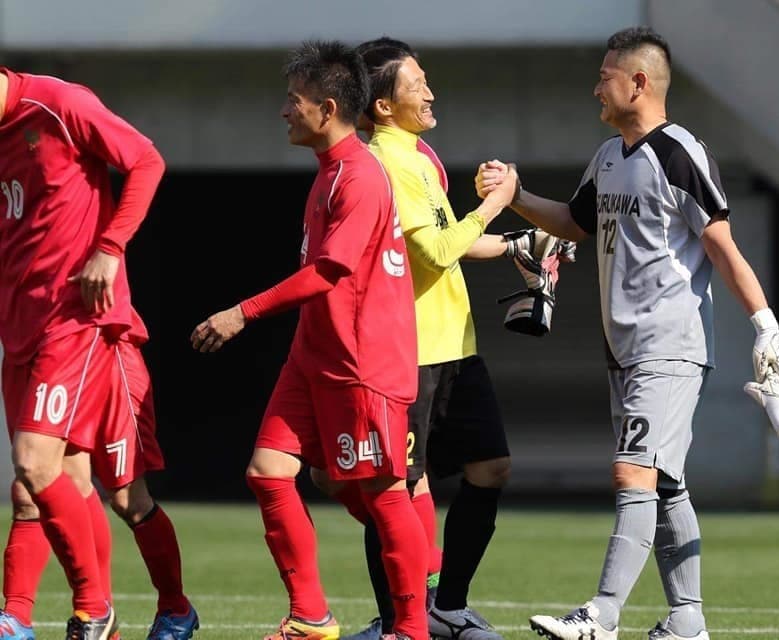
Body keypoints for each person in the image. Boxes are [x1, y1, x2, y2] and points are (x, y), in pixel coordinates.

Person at [475, 27, 779, 640]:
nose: (596, 88)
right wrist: (516, 196)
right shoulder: (607, 157)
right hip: (623, 351)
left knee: (632, 474)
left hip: (668, 345)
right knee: (665, 483)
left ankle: (602, 614)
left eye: (605, 76)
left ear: (638, 82)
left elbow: (721, 246)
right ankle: (687, 621)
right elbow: (573, 223)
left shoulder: (679, 153)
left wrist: (765, 327)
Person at [191, 40, 507, 640]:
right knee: (269, 472)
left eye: (295, 100)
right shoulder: (330, 172)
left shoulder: (361, 175)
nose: (285, 110)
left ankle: (411, 627)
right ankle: (311, 616)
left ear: (328, 107)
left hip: (361, 360)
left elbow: (328, 272)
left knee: (385, 491)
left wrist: (241, 313)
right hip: (313, 354)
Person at [337, 38, 526, 640]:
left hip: (457, 346)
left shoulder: (420, 156)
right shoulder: (385, 163)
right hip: (409, 352)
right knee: (393, 488)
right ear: (383, 106)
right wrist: (496, 204)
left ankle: (448, 606)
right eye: (417, 84)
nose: (430, 93)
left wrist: (520, 244)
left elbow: (453, 242)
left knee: (491, 467)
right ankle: (397, 620)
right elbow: (438, 249)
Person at [0, 68, 198, 640]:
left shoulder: (59, 104)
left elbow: (146, 160)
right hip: (20, 329)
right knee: (41, 484)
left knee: (91, 483)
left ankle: (117, 608)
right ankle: (28, 616)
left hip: (80, 321)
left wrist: (109, 248)